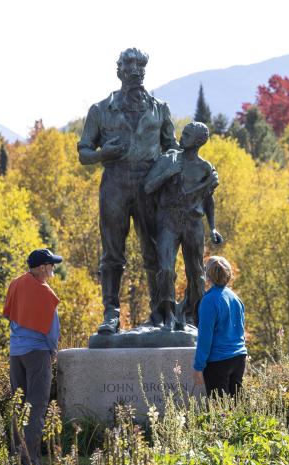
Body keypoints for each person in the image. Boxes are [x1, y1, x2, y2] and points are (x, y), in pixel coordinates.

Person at [77, 47, 179, 334]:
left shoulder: (159, 108)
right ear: (120, 72)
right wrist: (102, 154)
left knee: (155, 251)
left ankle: (160, 311)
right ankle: (111, 313)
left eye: (140, 69)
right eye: (130, 68)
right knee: (112, 254)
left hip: (150, 185)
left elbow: (172, 145)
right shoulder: (100, 110)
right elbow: (84, 152)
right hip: (115, 184)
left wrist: (170, 159)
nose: (136, 73)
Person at [144, 121, 223, 329]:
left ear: (198, 142)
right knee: (166, 268)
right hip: (168, 220)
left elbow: (208, 199)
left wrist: (213, 226)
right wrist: (167, 174)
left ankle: (193, 316)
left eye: (187, 135)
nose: (182, 136)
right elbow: (148, 186)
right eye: (184, 132)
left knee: (196, 273)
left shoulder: (204, 168)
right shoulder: (168, 159)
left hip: (193, 223)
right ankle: (167, 314)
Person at [2, 248, 63, 465]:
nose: (53, 268)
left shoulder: (15, 284)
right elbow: (51, 331)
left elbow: (10, 315)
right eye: (51, 265)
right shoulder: (45, 292)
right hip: (37, 353)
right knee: (36, 406)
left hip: (16, 352)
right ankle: (31, 462)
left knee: (19, 404)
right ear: (41, 268)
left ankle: (17, 458)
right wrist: (52, 351)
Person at [193, 256, 247, 397]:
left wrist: (198, 367)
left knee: (220, 410)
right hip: (239, 358)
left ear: (208, 276)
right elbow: (241, 331)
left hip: (218, 361)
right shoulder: (236, 298)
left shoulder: (209, 301)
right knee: (237, 407)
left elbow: (205, 337)